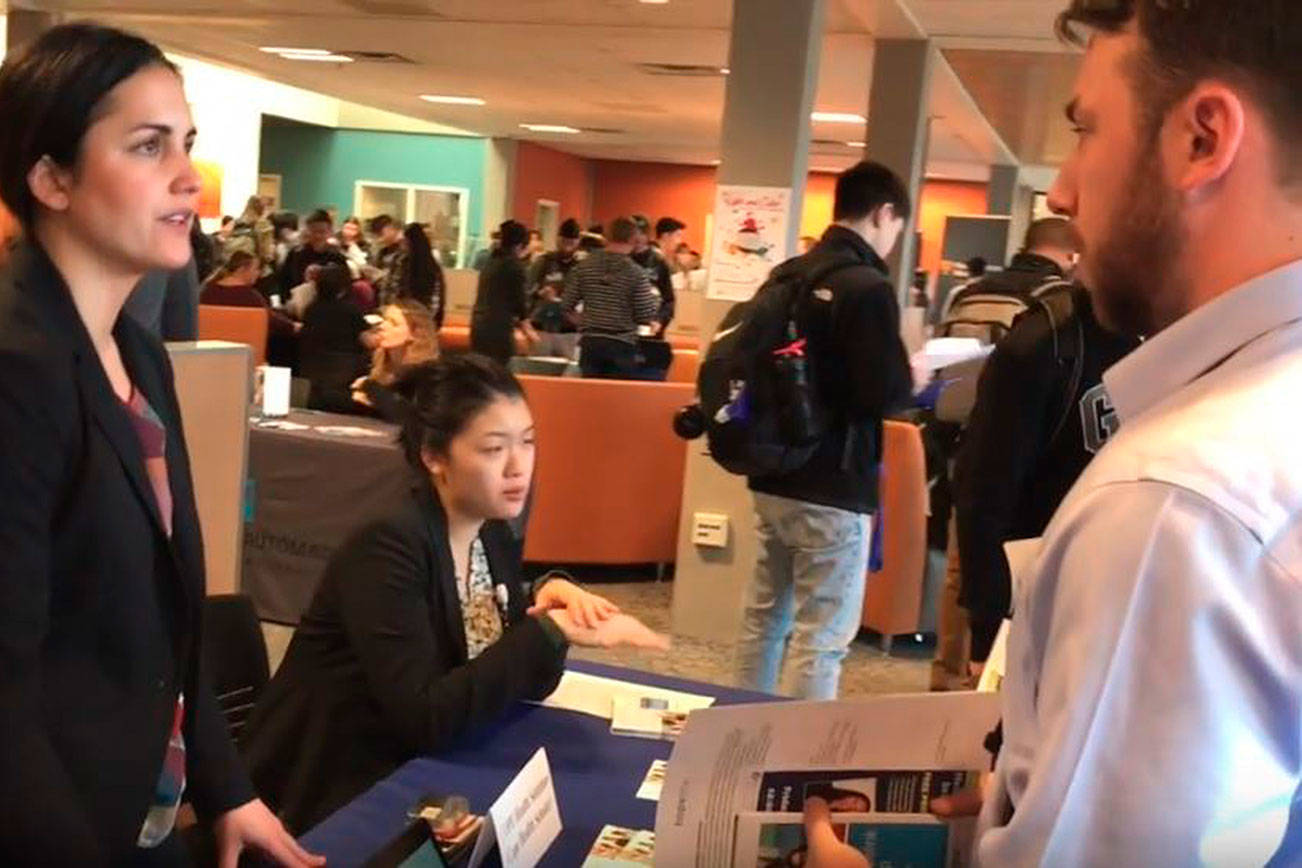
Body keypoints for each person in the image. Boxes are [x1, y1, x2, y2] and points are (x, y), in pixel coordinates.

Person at [0, 22, 319, 866]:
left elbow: (168, 620)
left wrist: (228, 786)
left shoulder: (138, 353)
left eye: (188, 144)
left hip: (140, 811)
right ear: (51, 177)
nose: (188, 178)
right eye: (148, 147)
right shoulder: (16, 367)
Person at [240, 355, 669, 832]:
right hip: (337, 788)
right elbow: (425, 716)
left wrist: (550, 600)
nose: (517, 467)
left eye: (527, 443)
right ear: (434, 457)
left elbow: (520, 680)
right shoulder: (389, 545)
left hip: (428, 763)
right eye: (492, 449)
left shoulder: (488, 531)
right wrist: (543, 631)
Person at [734, 161, 914, 701]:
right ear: (884, 213)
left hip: (773, 472)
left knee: (764, 619)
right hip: (834, 485)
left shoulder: (788, 273)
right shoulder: (866, 287)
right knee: (823, 636)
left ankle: (737, 733)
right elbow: (881, 394)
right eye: (897, 229)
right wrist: (915, 376)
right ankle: (795, 757)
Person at [928, 217, 1102, 692]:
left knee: (962, 573)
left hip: (968, 452)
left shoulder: (969, 294)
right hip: (1031, 480)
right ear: (1070, 257)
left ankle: (951, 679)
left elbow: (941, 379)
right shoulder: (1058, 315)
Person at [561, 216, 658, 379]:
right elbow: (645, 314)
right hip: (622, 344)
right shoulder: (636, 273)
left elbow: (566, 305)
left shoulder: (584, 267)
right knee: (615, 398)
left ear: (606, 236)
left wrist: (586, 321)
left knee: (590, 394)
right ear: (633, 238)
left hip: (591, 342)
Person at [298, 262, 376, 412]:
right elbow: (369, 341)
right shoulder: (350, 311)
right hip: (345, 381)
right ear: (344, 287)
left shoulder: (310, 310)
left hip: (312, 378)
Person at [351, 298, 439, 421]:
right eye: (384, 320)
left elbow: (410, 417)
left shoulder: (427, 374)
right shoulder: (371, 363)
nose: (382, 326)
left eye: (394, 323)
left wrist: (370, 388)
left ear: (414, 334)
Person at [471, 220, 537, 364]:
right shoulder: (514, 266)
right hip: (498, 329)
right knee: (499, 371)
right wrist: (529, 331)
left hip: (478, 326)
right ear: (520, 246)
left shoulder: (490, 261)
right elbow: (520, 303)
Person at [201, 249, 299, 338]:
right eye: (256, 269)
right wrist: (294, 326)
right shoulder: (249, 297)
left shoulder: (207, 291)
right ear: (242, 269)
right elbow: (271, 321)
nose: (258, 273)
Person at [527, 216, 583, 357]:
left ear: (577, 242)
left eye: (571, 242)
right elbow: (526, 290)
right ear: (558, 239)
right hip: (542, 327)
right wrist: (540, 293)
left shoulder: (582, 267)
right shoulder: (544, 262)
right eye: (564, 241)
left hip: (569, 330)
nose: (567, 246)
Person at [279, 208, 348, 298]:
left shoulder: (337, 257)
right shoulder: (295, 254)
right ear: (307, 231)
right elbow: (283, 283)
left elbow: (344, 286)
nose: (318, 236)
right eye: (314, 231)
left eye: (322, 232)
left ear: (330, 232)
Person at [387, 222, 446, 326]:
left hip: (419, 317)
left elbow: (434, 298)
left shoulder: (427, 265)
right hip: (403, 315)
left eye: (404, 242)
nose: (401, 246)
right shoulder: (400, 261)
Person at [630, 214, 675, 336]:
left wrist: (660, 321)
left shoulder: (658, 261)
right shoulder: (621, 258)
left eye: (642, 233)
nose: (638, 238)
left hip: (650, 326)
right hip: (623, 325)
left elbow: (669, 299)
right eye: (634, 233)